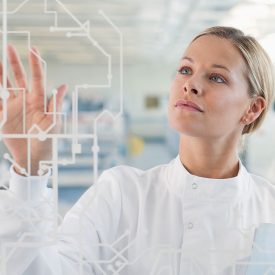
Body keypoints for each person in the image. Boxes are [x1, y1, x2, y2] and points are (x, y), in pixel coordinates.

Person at [0, 26, 274, 275]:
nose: (190, 84)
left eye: (216, 77)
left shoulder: (268, 207)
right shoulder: (121, 194)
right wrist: (30, 168)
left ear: (252, 108)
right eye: (185, 70)